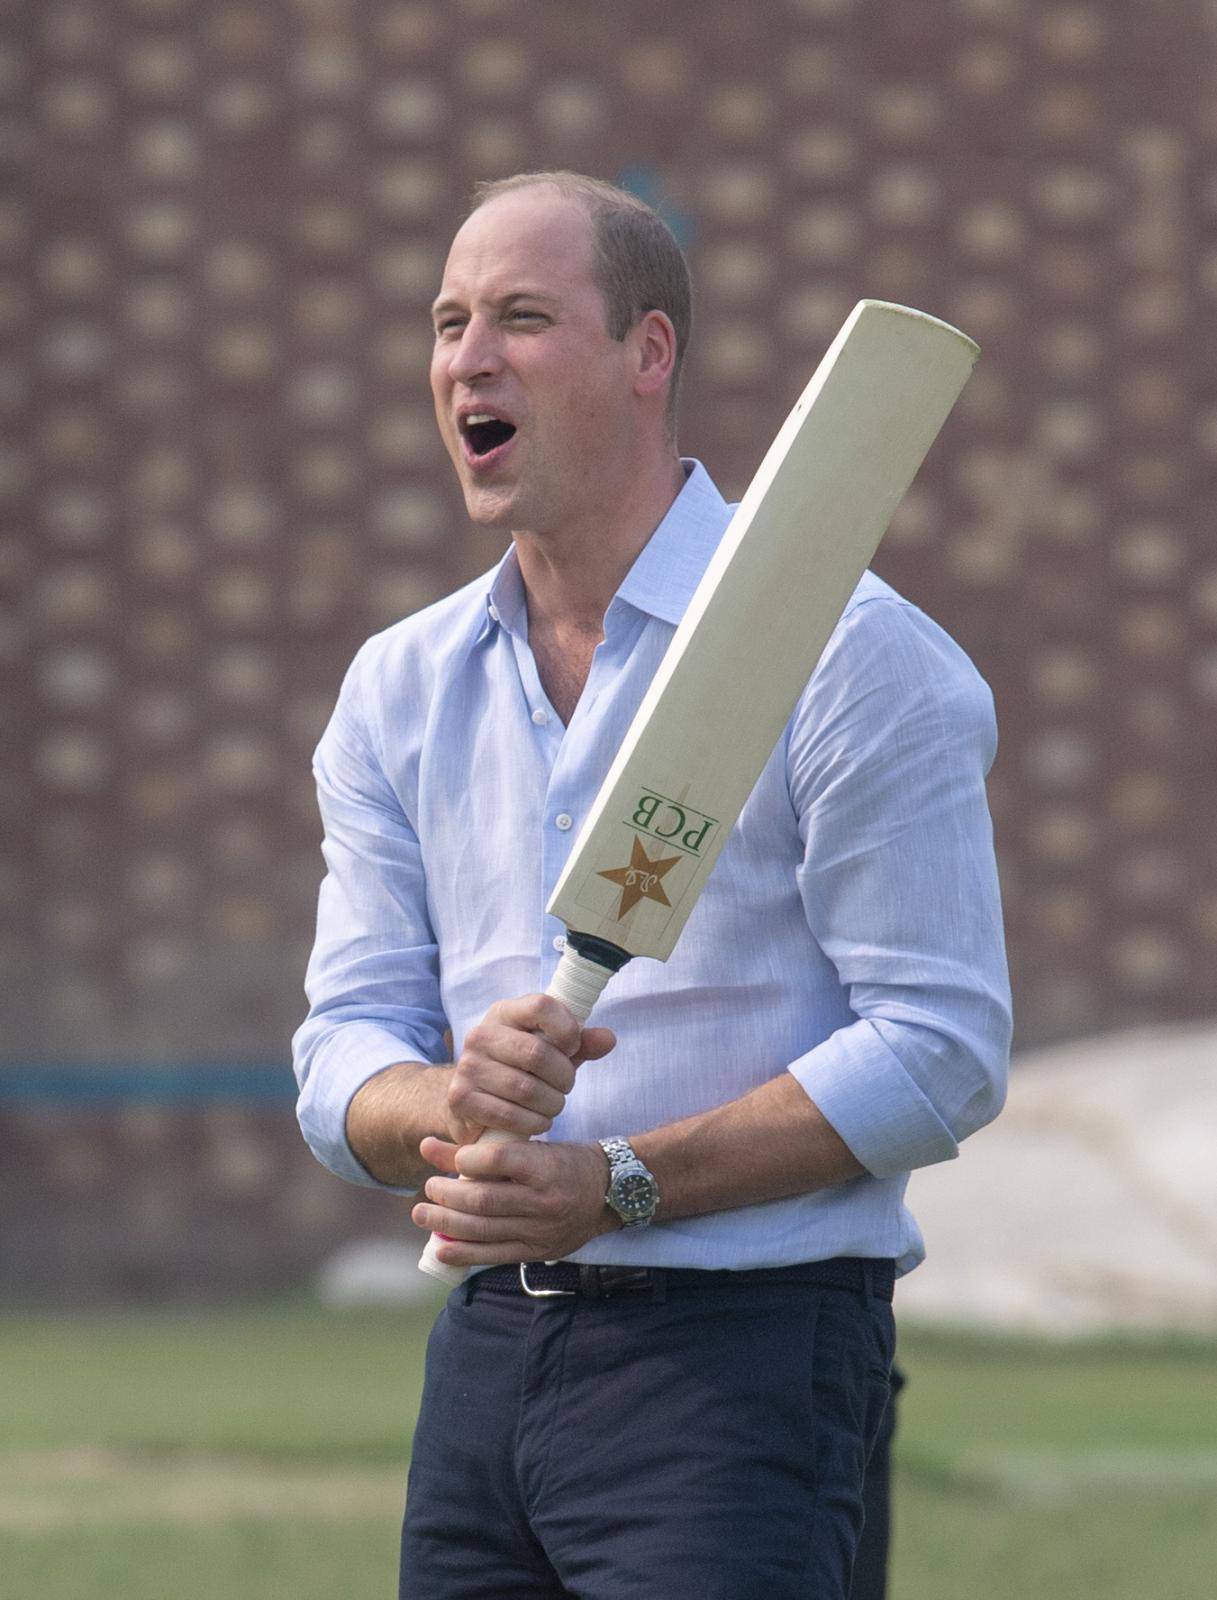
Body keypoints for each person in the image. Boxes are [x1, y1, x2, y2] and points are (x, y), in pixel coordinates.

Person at [292, 171, 1011, 1600]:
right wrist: (448, 1100)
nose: (466, 359)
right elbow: (341, 1050)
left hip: (743, 1365)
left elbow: (939, 1055)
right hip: (487, 1359)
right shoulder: (400, 687)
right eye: (446, 324)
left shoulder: (853, 657)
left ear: (648, 354)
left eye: (520, 318)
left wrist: (611, 1184)